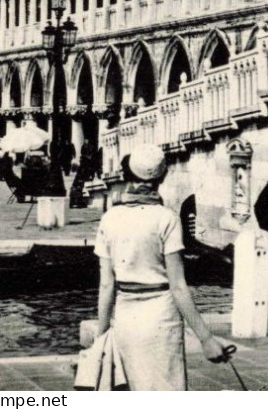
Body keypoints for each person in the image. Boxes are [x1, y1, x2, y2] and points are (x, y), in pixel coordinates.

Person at [94, 143, 231, 390]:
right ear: (162, 177)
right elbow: (178, 286)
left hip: (126, 317)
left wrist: (100, 339)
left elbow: (106, 286)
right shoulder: (166, 218)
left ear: (126, 175)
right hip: (161, 317)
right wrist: (206, 339)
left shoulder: (109, 219)